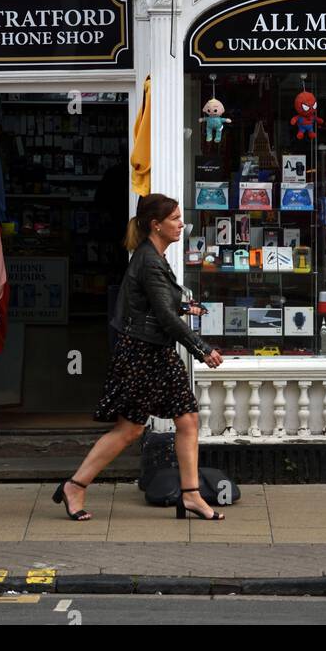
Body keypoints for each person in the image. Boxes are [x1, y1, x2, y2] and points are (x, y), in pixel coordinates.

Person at [53, 193, 225, 523]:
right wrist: (202, 349)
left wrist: (184, 306)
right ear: (155, 225)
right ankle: (75, 486)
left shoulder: (153, 257)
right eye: (174, 219)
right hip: (144, 355)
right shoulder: (149, 260)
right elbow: (164, 317)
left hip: (154, 351)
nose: (181, 224)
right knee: (130, 430)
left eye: (180, 218)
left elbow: (156, 306)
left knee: (187, 420)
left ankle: (190, 496)